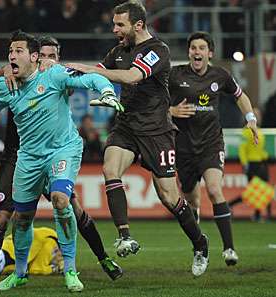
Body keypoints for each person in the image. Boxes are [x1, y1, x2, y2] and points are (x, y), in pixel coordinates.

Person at [0, 30, 122, 292]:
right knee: (22, 216)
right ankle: (19, 273)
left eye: (18, 51)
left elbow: (91, 79)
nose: (12, 56)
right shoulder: (8, 83)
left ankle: (71, 270)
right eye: (11, 52)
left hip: (62, 150)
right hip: (27, 156)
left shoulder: (53, 75)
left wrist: (107, 90)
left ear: (34, 57)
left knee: (62, 201)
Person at [65, 1, 210, 276]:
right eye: (114, 24)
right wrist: (61, 73)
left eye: (120, 25)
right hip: (127, 126)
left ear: (138, 25)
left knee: (169, 197)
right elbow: (94, 71)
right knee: (110, 169)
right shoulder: (120, 51)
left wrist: (94, 71)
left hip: (157, 131)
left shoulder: (158, 50)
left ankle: (200, 243)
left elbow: (132, 77)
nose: (115, 29)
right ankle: (124, 235)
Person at [169, 31, 259, 266]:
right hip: (184, 146)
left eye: (201, 48)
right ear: (189, 52)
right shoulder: (175, 75)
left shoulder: (221, 75)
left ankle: (229, 248)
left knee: (215, 189)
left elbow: (241, 96)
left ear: (210, 53)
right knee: (192, 201)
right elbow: (154, 101)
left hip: (211, 143)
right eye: (193, 48)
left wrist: (250, 118)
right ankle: (200, 246)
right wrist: (170, 111)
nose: (196, 52)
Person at [229, 108, 270, 222]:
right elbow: (242, 150)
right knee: (253, 191)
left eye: (258, 114)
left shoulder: (259, 131)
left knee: (262, 190)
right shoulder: (246, 131)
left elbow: (261, 149)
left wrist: (265, 157)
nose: (257, 116)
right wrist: (245, 164)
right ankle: (229, 204)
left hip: (261, 163)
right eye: (255, 114)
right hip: (252, 164)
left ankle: (258, 215)